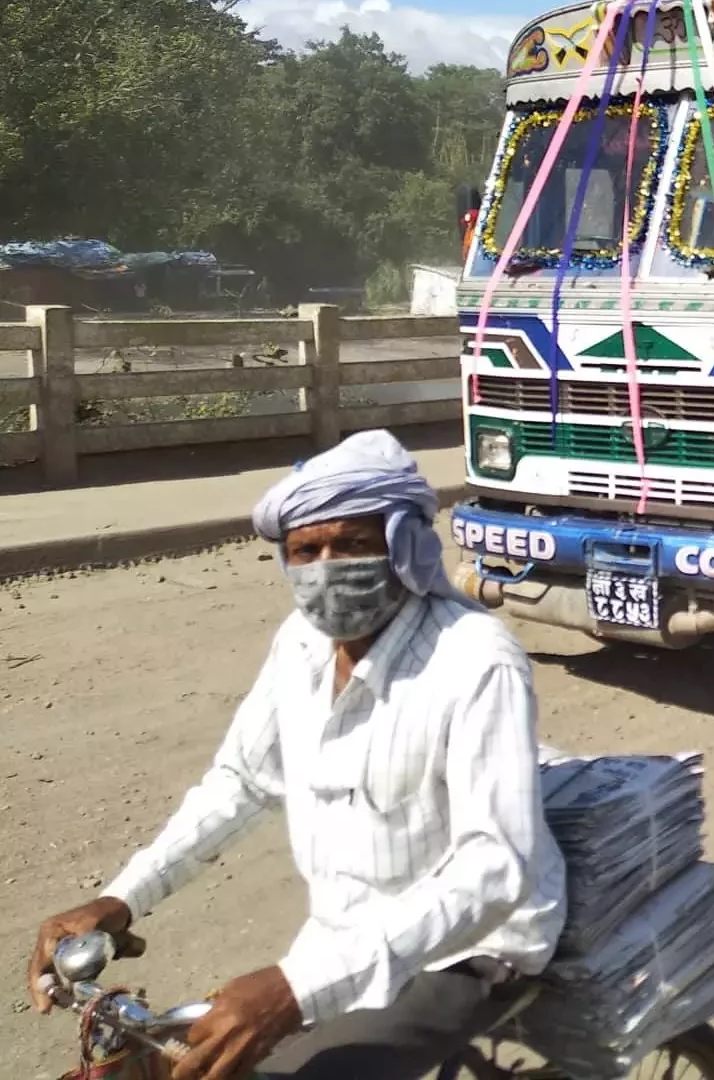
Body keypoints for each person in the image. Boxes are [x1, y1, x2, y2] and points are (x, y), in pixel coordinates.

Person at [27, 431, 567, 1080]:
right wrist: (119, 901)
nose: (328, 568)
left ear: (405, 549)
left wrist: (296, 988)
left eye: (354, 545)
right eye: (306, 551)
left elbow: (493, 867)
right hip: (343, 939)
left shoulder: (476, 658)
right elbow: (241, 783)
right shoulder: (300, 645)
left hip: (468, 949)